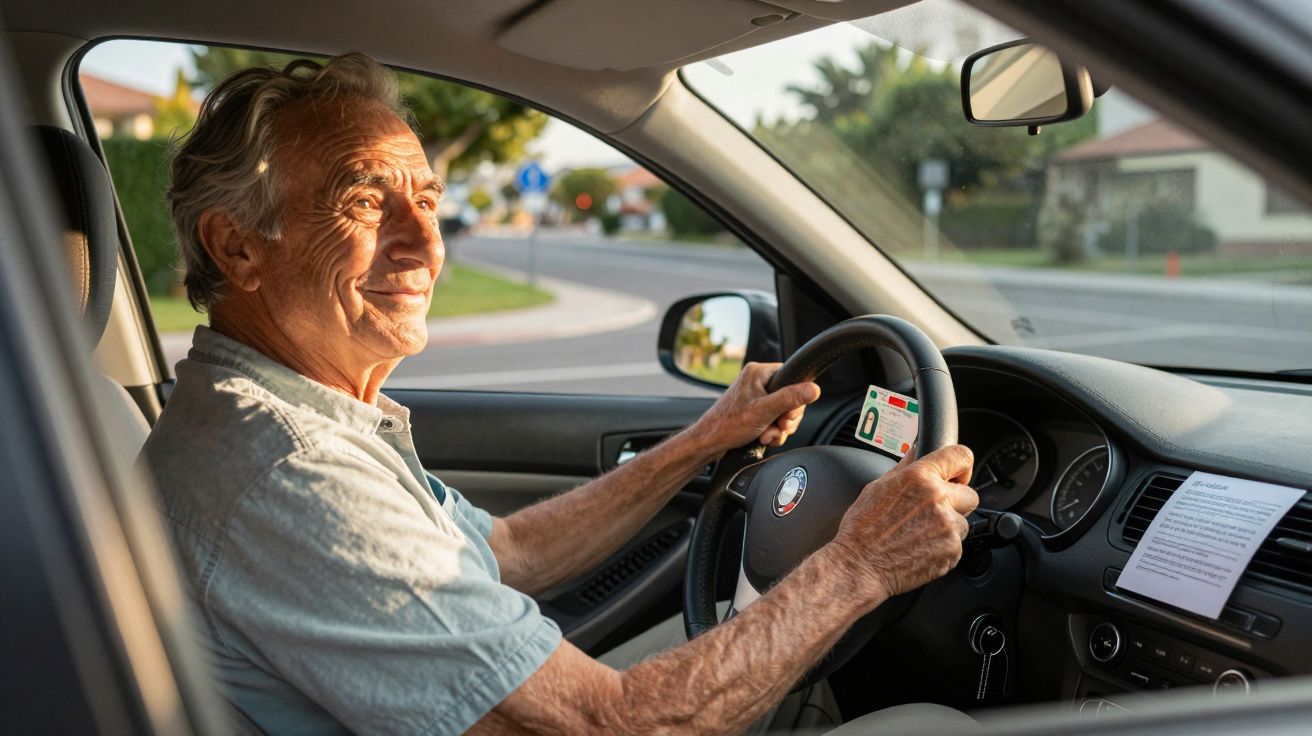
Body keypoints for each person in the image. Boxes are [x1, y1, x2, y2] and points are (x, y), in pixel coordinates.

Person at [141, 52, 979, 735]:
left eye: (427, 199)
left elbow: (511, 552)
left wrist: (707, 436)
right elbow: (615, 727)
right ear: (238, 248)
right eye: (365, 200)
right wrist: (859, 565)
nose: (427, 244)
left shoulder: (273, 419)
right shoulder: (294, 472)